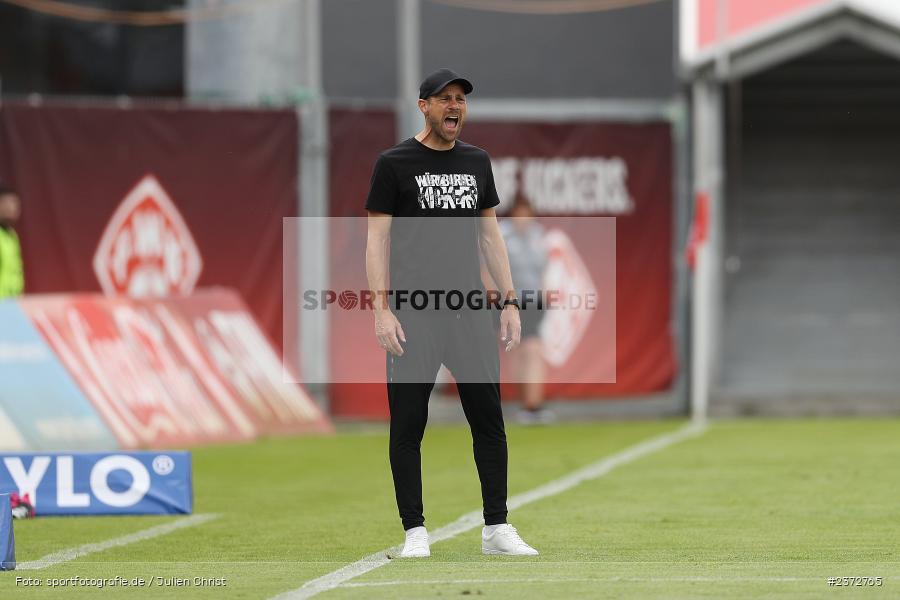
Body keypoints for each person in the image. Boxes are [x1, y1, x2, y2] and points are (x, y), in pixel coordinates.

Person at [365, 68, 538, 558]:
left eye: (460, 99)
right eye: (444, 99)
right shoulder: (393, 163)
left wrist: (507, 301)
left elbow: (490, 236)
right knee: (408, 425)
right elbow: (376, 241)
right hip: (414, 314)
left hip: (468, 312)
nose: (454, 106)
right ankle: (414, 531)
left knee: (488, 420)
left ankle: (496, 528)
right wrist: (382, 311)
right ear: (424, 106)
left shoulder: (476, 162)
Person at [499, 195, 554, 425]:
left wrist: (545, 293)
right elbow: (488, 268)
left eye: (527, 213)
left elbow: (542, 270)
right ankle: (527, 404)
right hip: (510, 301)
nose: (524, 219)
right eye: (519, 213)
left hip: (534, 302)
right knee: (522, 352)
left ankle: (533, 405)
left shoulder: (537, 235)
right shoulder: (501, 234)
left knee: (532, 350)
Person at [0, 184, 24, 299]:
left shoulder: (12, 235)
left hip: (11, 304)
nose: (13, 208)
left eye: (16, 204)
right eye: (8, 203)